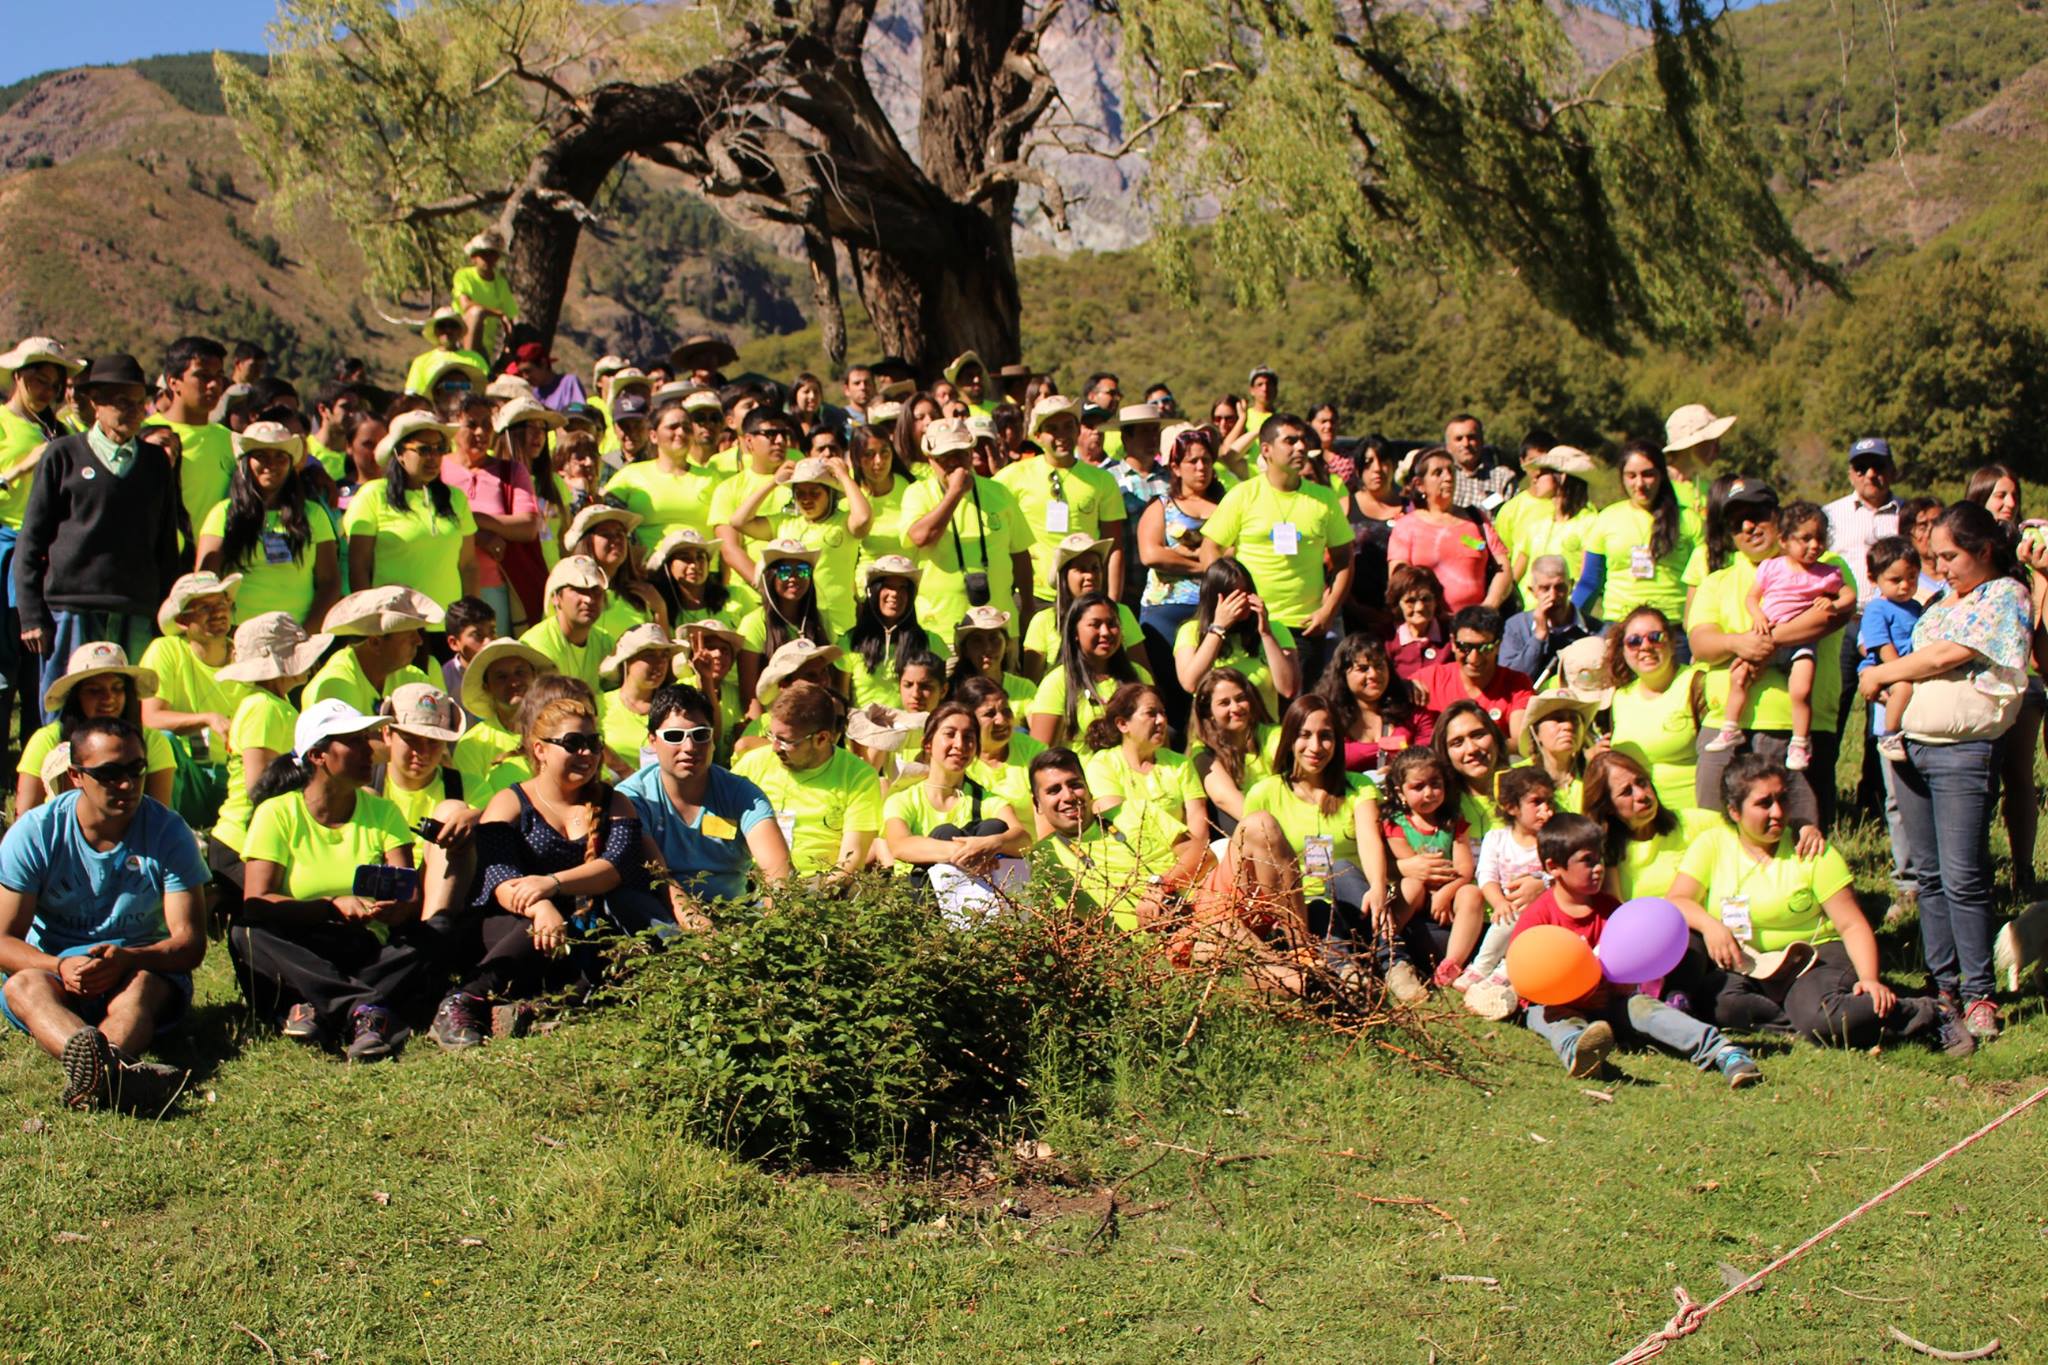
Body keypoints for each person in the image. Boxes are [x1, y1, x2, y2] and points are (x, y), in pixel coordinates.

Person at [1862, 501, 2043, 1044]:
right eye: (1934, 557)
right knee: (1933, 877)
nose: (1940, 568)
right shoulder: (1944, 598)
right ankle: (1941, 985)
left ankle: (1979, 992)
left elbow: (1945, 654)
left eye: (1950, 556)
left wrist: (1885, 673)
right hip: (1916, 748)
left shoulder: (2005, 595)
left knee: (1965, 878)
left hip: (1963, 753)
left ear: (1984, 551)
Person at [1667, 756, 1974, 1056]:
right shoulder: (1712, 845)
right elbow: (1677, 900)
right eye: (1764, 803)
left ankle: (1926, 1012)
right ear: (1734, 811)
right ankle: (1813, 1021)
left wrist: (1868, 979)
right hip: (1751, 963)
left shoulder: (1810, 850)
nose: (1778, 812)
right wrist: (1711, 926)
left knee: (1823, 1017)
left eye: (1783, 800)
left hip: (1814, 957)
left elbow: (1851, 925)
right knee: (1719, 1004)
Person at [428, 681, 658, 1050]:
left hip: (582, 926)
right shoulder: (510, 801)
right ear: (541, 750)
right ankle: (461, 1001)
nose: (586, 753)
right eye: (572, 744)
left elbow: (615, 867)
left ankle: (530, 1010)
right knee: (545, 930)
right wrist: (541, 907)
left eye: (593, 744)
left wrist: (552, 884)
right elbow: (500, 878)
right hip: (510, 925)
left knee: (600, 950)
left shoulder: (615, 804)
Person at [0, 718, 206, 1114]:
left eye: (136, 770)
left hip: (139, 965)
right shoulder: (37, 832)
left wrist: (132, 958)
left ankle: (97, 1069)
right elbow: (4, 939)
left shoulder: (168, 832)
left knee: (143, 987)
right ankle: (112, 1076)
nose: (127, 784)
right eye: (110, 774)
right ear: (76, 776)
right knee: (22, 986)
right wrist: (59, 965)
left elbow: (190, 943)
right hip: (55, 971)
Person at [230, 699, 429, 1061]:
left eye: (367, 738)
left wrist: (394, 908)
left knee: (429, 939)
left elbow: (408, 897)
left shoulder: (383, 812)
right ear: (318, 756)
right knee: (246, 932)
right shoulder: (277, 814)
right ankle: (365, 1007)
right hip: (300, 943)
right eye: (353, 741)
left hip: (364, 945)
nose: (368, 750)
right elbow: (257, 902)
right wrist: (330, 907)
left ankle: (311, 1006)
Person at [1511, 812, 1763, 1086]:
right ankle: (1579, 1051)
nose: (1598, 867)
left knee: (1645, 1008)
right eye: (1587, 860)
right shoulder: (1538, 917)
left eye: (1600, 858)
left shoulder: (1612, 911)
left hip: (1611, 1003)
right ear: (1553, 867)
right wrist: (1571, 995)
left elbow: (1630, 965)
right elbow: (1527, 977)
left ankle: (1723, 1051)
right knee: (1551, 1018)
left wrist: (1624, 987)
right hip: (1560, 1006)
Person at [15, 353, 184, 709]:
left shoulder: (155, 464)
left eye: (140, 403)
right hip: (72, 605)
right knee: (66, 707)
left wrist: (169, 607)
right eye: (122, 402)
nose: (134, 411)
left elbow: (165, 544)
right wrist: (31, 615)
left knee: (131, 708)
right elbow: (31, 541)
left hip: (136, 607)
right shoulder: (63, 456)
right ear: (96, 402)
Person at [1685, 478, 1852, 826]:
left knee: (1801, 837)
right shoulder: (1718, 580)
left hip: (1799, 731)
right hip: (1724, 728)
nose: (1748, 526)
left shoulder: (1825, 565)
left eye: (1758, 515)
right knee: (1715, 834)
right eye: (1737, 522)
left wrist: (1766, 643)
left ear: (1780, 520)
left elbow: (1827, 618)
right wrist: (1736, 643)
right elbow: (1701, 643)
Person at [1199, 413, 1352, 685]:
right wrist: (1228, 600)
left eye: (1303, 440)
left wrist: (1328, 610)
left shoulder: (1325, 499)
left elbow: (1344, 560)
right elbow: (1210, 547)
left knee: (1300, 716)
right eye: (1290, 441)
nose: (1301, 447)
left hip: (1304, 628)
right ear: (1266, 449)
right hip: (1249, 626)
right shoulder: (1243, 495)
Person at [620, 684, 792, 922]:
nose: (689, 748)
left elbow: (777, 871)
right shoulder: (631, 798)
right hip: (663, 914)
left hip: (734, 915)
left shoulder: (743, 795)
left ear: (713, 739)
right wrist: (702, 930)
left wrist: (774, 928)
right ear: (652, 741)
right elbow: (660, 879)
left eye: (700, 735)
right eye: (674, 737)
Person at [1706, 499, 1855, 772]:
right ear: (1784, 540)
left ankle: (1800, 742)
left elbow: (1849, 597)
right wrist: (1758, 616)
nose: (1814, 546)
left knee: (1801, 689)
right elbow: (1752, 598)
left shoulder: (1828, 573)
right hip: (1764, 638)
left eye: (1820, 538)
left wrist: (1834, 603)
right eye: (1805, 539)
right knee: (1739, 676)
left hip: (1800, 643)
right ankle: (1730, 727)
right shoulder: (1772, 568)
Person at [1240, 693, 1386, 953]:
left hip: (1354, 902)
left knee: (1342, 870)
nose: (1315, 746)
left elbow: (1369, 838)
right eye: (1304, 735)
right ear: (1289, 738)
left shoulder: (1359, 786)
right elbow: (1249, 865)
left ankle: (1394, 962)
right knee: (1317, 909)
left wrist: (1377, 887)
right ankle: (1346, 970)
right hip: (1298, 912)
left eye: (1325, 736)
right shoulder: (1264, 794)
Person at [198, 421, 342, 629]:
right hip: (239, 636)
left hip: (298, 636)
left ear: (291, 464)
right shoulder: (223, 514)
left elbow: (329, 581)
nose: (271, 464)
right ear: (245, 462)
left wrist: (307, 634)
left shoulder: (314, 514)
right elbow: (207, 583)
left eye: (280, 456)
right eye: (261, 456)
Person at [732, 680, 883, 878]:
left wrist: (809, 900)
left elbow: (849, 863)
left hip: (817, 889)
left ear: (821, 739)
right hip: (748, 881)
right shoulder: (754, 763)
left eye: (786, 741)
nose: (775, 747)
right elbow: (716, 824)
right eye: (772, 735)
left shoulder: (858, 777)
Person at [211, 613, 334, 855]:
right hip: (242, 843)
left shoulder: (277, 703)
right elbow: (259, 787)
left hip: (261, 839)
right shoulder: (263, 707)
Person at [901, 417, 1029, 641]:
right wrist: (955, 493)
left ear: (971, 452)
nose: (953, 462)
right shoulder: (917, 493)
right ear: (929, 459)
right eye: (944, 456)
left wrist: (1027, 605)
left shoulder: (999, 492)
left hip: (999, 626)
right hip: (941, 631)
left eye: (959, 453)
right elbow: (921, 537)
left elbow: (1020, 553)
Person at [17, 643, 176, 816]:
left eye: (117, 688)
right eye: (94, 691)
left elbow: (159, 816)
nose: (108, 698)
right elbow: (25, 814)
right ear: (76, 696)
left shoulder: (153, 742)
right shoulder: (47, 740)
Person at [342, 410, 479, 609]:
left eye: (439, 448)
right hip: (395, 627)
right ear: (399, 453)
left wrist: (470, 616)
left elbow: (468, 566)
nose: (433, 457)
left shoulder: (455, 498)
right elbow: (359, 567)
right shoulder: (372, 495)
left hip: (448, 626)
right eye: (423, 450)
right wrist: (370, 620)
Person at [726, 454, 872, 637]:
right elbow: (738, 521)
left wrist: (844, 477)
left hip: (840, 624)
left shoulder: (844, 521)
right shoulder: (785, 523)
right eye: (800, 493)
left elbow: (863, 518)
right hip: (796, 623)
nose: (806, 499)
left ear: (830, 493)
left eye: (814, 493)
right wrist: (773, 482)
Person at [882, 701, 1032, 872]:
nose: (959, 745)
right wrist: (967, 852)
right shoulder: (902, 800)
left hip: (982, 892)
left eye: (968, 737)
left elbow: (1024, 841)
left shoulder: (988, 801)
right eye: (950, 734)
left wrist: (994, 843)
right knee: (945, 832)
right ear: (927, 744)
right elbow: (900, 845)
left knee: (994, 828)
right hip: (924, 894)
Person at [444, 395, 548, 633]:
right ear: (452, 425)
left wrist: (475, 519)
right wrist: (480, 536)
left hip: (495, 588)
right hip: (444, 584)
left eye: (487, 425)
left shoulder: (510, 472)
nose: (480, 432)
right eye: (471, 424)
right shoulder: (437, 470)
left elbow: (527, 526)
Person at [1574, 440, 1697, 638]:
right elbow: (1590, 581)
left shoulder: (1689, 520)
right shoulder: (1606, 518)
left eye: (1648, 474)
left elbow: (1708, 582)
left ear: (1661, 476)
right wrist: (1568, 620)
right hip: (1619, 627)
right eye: (1631, 476)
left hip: (1673, 630)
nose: (1639, 484)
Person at [1081, 683, 1208, 876]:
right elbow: (1122, 826)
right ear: (1123, 724)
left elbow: (1198, 823)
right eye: (1151, 713)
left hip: (1183, 865)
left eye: (1163, 713)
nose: (1161, 720)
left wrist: (1189, 863)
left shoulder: (1180, 763)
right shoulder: (1103, 764)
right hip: (1134, 867)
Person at [1462, 766, 1556, 1015]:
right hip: (1507, 912)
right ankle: (1482, 967)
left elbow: (1561, 875)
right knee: (1509, 916)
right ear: (1511, 806)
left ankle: (1505, 972)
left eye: (1549, 802)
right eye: (1536, 802)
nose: (1546, 810)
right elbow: (1486, 875)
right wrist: (1499, 902)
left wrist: (1544, 883)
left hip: (1544, 918)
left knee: (1522, 917)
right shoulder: (1497, 839)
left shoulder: (1553, 841)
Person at [1581, 750, 1728, 903]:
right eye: (1626, 792)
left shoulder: (1699, 823)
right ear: (1607, 807)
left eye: (1641, 782)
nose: (1641, 795)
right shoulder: (1603, 856)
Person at [604, 387, 734, 550]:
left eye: (686, 428)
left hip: (702, 569)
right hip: (648, 569)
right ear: (653, 436)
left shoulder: (712, 479)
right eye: (672, 427)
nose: (680, 432)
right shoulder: (629, 475)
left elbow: (727, 536)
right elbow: (604, 518)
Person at [1603, 606, 1703, 813]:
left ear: (1673, 643)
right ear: (1623, 650)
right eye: (1634, 641)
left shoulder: (1696, 683)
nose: (1645, 646)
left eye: (1655, 637)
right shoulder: (1620, 698)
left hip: (1695, 815)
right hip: (1640, 822)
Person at [1387, 448, 1511, 613]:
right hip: (1428, 627)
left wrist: (1488, 607)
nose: (1448, 477)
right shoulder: (1407, 526)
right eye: (1438, 473)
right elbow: (1399, 580)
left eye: (1451, 471)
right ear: (1420, 484)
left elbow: (1502, 567)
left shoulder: (1475, 518)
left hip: (1475, 626)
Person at [1170, 557, 1297, 717]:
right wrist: (1218, 628)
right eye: (1234, 595)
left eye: (1247, 592)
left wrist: (1266, 634)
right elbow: (1191, 683)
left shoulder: (1275, 629)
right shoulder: (1190, 631)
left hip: (1263, 732)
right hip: (1214, 734)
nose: (1242, 601)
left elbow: (1288, 689)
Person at [1137, 423, 1223, 656]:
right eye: (1192, 461)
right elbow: (1151, 554)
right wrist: (1205, 564)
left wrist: (1182, 554)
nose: (1201, 467)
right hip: (1165, 608)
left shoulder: (1226, 507)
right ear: (1175, 467)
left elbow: (1236, 551)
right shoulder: (1162, 506)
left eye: (1206, 460)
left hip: (1213, 610)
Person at [142, 336, 235, 548]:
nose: (213, 385)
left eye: (219, 376)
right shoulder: (146, 436)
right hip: (159, 564)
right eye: (202, 376)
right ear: (173, 381)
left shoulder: (230, 440)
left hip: (211, 567)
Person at [1023, 534, 1149, 680]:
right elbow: (1032, 683)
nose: (1090, 575)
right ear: (1064, 577)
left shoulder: (1122, 613)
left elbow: (1144, 674)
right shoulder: (1043, 620)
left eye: (1095, 568)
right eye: (1081, 569)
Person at [1027, 595, 1149, 746]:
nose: (1105, 632)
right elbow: (1040, 754)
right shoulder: (1057, 682)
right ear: (1075, 633)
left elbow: (1160, 747)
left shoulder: (1139, 676)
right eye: (1095, 625)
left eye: (1112, 624)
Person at [1412, 605, 1534, 744]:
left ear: (1498, 646)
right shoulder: (1427, 680)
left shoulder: (1517, 685)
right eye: (1465, 647)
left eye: (1484, 648)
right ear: (1452, 643)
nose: (1474, 658)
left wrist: (1480, 748)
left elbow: (1522, 742)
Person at [304, 586, 438, 713]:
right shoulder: (336, 683)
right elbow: (345, 738)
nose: (419, 641)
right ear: (375, 643)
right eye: (409, 635)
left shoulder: (413, 677)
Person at [735, 540, 834, 710]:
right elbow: (750, 696)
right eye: (784, 571)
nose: (793, 578)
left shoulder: (822, 620)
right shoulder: (753, 623)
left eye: (802, 571)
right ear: (770, 577)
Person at [839, 556, 945, 708]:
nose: (895, 594)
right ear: (873, 592)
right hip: (861, 730)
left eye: (903, 588)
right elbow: (841, 699)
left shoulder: (932, 642)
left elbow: (941, 700)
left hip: (914, 730)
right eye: (888, 586)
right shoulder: (849, 641)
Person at [1317, 632, 1431, 774]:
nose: (1373, 675)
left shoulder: (1412, 711)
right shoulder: (1328, 719)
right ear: (1343, 674)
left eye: (1379, 666)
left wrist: (1400, 772)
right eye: (1363, 669)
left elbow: (1429, 758)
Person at [1860, 536, 1926, 763]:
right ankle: (1889, 734)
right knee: (1904, 689)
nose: (1905, 585)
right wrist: (1901, 670)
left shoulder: (1916, 607)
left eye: (1912, 578)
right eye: (1896, 580)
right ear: (1873, 578)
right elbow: (1881, 645)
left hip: (1905, 667)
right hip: (1886, 668)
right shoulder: (1877, 608)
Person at [518, 555, 616, 696]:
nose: (588, 599)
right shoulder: (535, 646)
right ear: (556, 598)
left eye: (595, 590)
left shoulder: (604, 641)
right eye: (578, 590)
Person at [596, 623, 681, 776]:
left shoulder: (674, 708)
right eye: (649, 656)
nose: (660, 663)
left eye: (664, 656)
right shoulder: (599, 704)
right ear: (627, 661)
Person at [1341, 437, 1407, 636]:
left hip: (1404, 615)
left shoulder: (1411, 508)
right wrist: (1354, 607)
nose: (1377, 469)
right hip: (1354, 612)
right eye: (1368, 463)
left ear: (1393, 466)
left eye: (1383, 461)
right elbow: (1333, 562)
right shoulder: (1343, 506)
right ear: (1359, 469)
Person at [1499, 554, 1591, 682]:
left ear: (1571, 586)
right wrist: (1539, 637)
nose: (1553, 596)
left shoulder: (1592, 629)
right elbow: (1509, 681)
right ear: (1533, 591)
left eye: (1560, 587)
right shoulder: (1516, 627)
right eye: (1545, 589)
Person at [453, 230, 518, 358]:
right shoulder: (463, 275)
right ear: (474, 257)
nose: (488, 258)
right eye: (484, 254)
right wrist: (497, 313)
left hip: (488, 346)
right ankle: (468, 359)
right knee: (476, 312)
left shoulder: (500, 283)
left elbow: (510, 315)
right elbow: (466, 305)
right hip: (461, 339)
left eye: (492, 254)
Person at [1660, 403, 1735, 514]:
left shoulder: (1707, 490)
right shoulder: (1658, 488)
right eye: (1711, 442)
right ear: (1691, 445)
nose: (1717, 449)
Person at [403, 307, 488, 400]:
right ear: (435, 331)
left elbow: (486, 390)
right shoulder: (420, 362)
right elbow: (412, 397)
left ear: (459, 330)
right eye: (442, 325)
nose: (448, 330)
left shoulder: (476, 359)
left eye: (453, 326)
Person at [1385, 563, 1450, 680]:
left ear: (1436, 601)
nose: (1420, 607)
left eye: (1426, 599)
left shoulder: (1451, 636)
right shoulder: (1386, 640)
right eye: (1410, 601)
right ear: (1398, 604)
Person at [1443, 413, 1516, 513]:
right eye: (1459, 439)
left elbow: (1512, 518)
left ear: (1482, 441)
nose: (1466, 444)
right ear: (1448, 447)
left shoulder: (1503, 478)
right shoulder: (1440, 478)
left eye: (1471, 437)